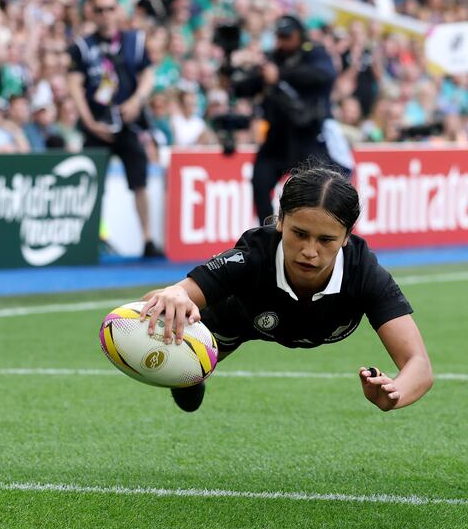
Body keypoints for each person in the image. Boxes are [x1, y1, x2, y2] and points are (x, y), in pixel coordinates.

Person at [139, 166, 433, 414]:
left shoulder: (363, 272)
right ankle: (191, 374)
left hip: (318, 323)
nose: (310, 251)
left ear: (347, 236)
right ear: (280, 221)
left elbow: (418, 364)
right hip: (240, 318)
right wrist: (175, 293)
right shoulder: (254, 255)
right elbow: (173, 294)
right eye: (300, 234)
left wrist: (395, 394)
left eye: (326, 240)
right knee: (188, 384)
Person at [68, 0, 161, 257]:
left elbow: (148, 75)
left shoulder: (134, 41)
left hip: (127, 122)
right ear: (92, 12)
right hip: (97, 126)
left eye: (110, 8)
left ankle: (147, 239)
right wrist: (89, 122)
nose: (105, 15)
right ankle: (89, 240)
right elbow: (74, 85)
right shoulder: (83, 47)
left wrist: (136, 101)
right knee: (91, 184)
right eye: (100, 10)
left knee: (139, 182)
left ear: (117, 10)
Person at [228, 15, 344, 224]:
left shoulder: (314, 54)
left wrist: (280, 74)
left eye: (287, 36)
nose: (282, 41)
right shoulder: (272, 58)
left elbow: (324, 75)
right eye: (279, 36)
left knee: (315, 192)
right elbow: (243, 88)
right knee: (260, 182)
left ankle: (312, 231)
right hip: (277, 137)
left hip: (308, 136)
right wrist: (235, 68)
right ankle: (269, 232)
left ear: (299, 35)